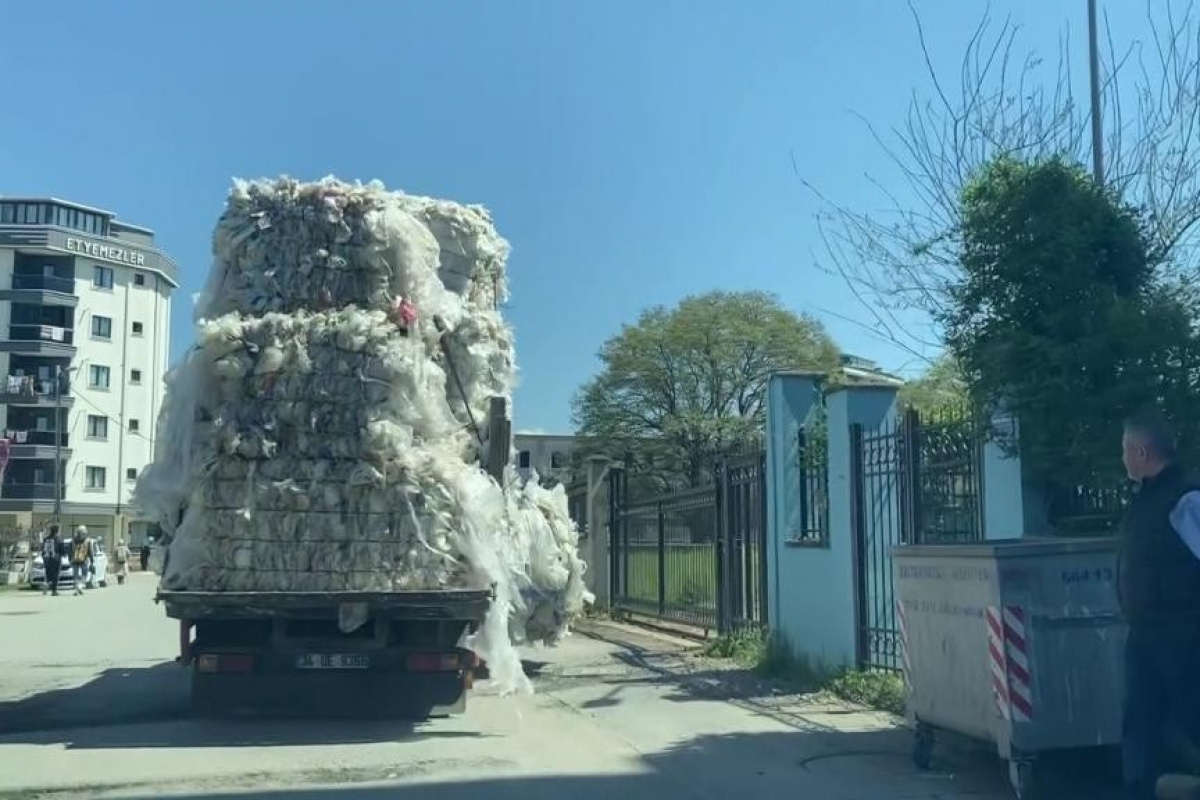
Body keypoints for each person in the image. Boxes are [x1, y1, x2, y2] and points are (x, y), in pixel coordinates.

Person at [1118, 410, 1200, 800]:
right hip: (1146, 632)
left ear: (1142, 451)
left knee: (1192, 714)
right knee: (1140, 721)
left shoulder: (1186, 498)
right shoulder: (1146, 500)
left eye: (1125, 451)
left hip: (1183, 633)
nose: (1123, 459)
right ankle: (1140, 790)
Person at [39, 524, 63, 596]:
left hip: (47, 558)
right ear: (57, 531)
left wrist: (44, 556)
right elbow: (61, 549)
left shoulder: (46, 538)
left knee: (48, 573)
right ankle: (54, 591)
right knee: (55, 575)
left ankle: (45, 586)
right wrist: (63, 554)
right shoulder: (58, 539)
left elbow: (43, 548)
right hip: (56, 559)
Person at [69, 526, 92, 596]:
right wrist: (92, 561)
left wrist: (70, 559)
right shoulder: (88, 540)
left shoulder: (73, 540)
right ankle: (80, 586)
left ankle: (76, 589)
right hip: (84, 559)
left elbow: (69, 550)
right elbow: (90, 552)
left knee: (75, 575)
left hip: (74, 559)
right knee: (84, 574)